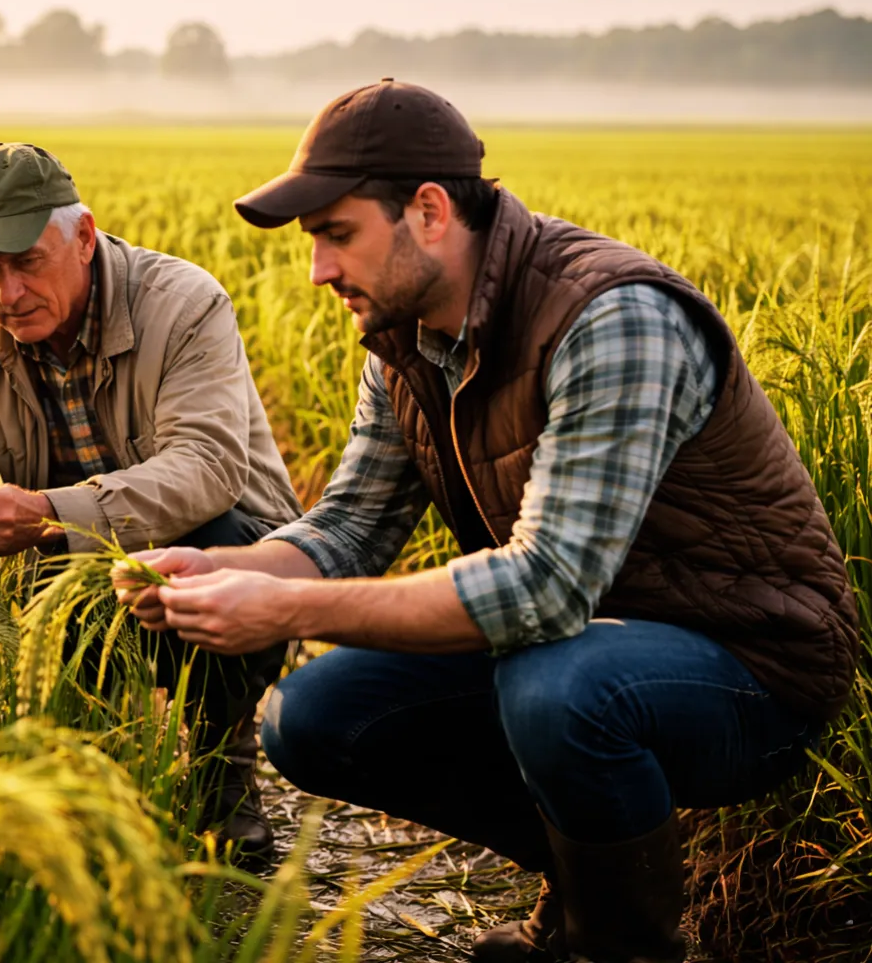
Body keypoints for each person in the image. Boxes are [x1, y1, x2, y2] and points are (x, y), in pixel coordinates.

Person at [115, 81, 856, 962]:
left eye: (336, 235)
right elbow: (349, 528)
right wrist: (222, 572)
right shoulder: (404, 342)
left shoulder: (612, 317)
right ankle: (581, 900)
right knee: (312, 716)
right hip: (576, 642)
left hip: (750, 664)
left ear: (428, 212)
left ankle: (618, 949)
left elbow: (545, 587)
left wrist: (285, 612)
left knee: (562, 689)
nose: (317, 271)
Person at [0, 142, 303, 856]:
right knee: (47, 602)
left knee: (210, 548)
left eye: (27, 262)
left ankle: (223, 775)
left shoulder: (183, 304)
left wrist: (50, 514)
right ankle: (97, 779)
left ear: (83, 237)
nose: (8, 293)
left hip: (229, 547)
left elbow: (208, 468)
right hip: (75, 559)